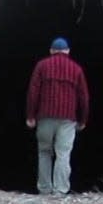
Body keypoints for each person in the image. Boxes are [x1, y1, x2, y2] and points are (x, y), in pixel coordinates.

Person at [25, 37, 89, 195]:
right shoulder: (76, 69)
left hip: (45, 117)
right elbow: (84, 97)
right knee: (63, 153)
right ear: (67, 51)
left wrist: (30, 116)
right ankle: (60, 190)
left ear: (51, 51)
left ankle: (45, 189)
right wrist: (82, 120)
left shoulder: (42, 66)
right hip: (68, 119)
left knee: (44, 151)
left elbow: (33, 92)